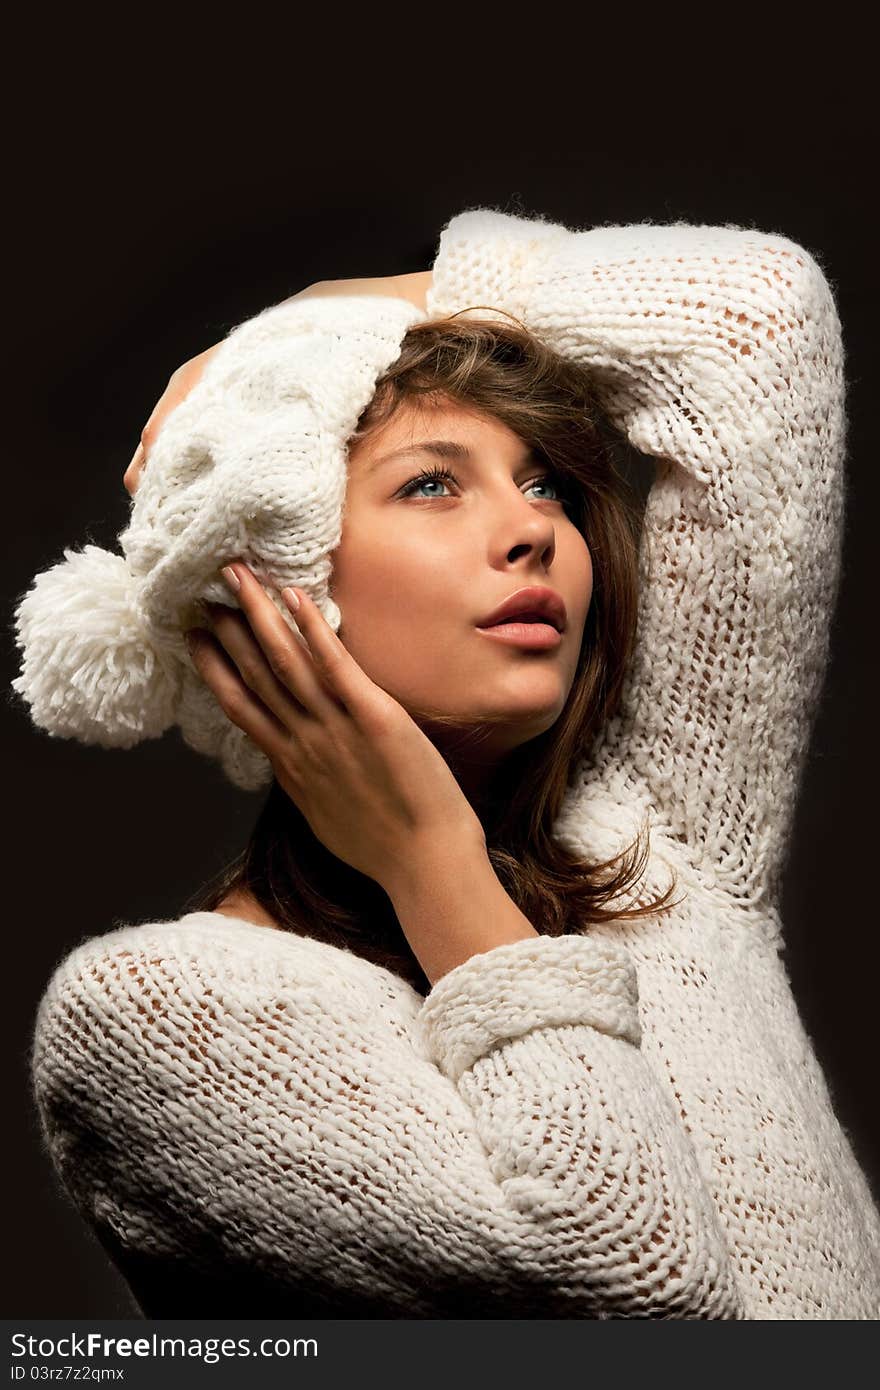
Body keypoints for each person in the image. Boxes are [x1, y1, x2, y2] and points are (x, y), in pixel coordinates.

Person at [16, 209, 880, 1319]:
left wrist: (325, 309)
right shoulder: (159, 1016)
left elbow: (751, 317)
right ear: (271, 587)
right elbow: (652, 1294)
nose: (531, 531)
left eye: (544, 485)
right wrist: (433, 858)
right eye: (431, 483)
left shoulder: (659, 844)